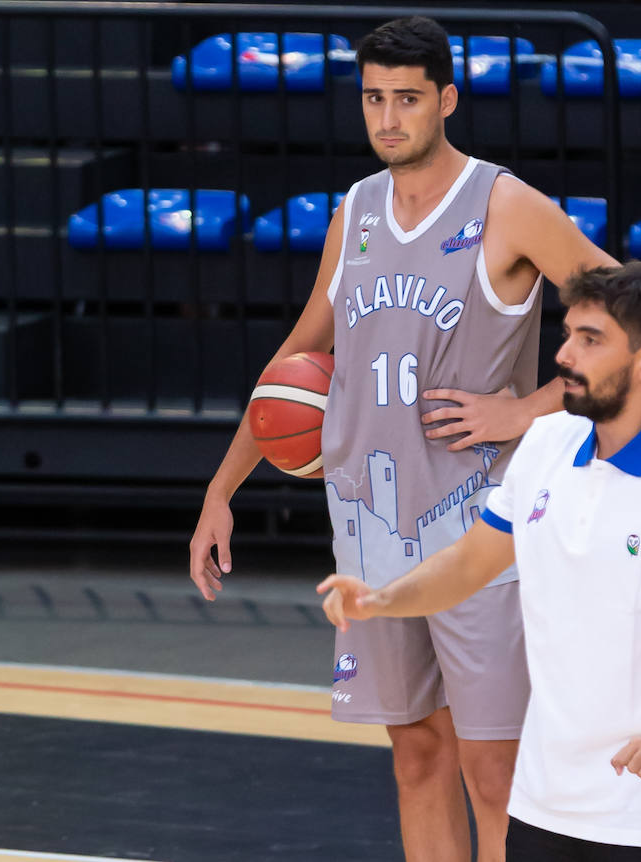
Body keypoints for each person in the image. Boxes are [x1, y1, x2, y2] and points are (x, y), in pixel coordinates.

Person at [187, 16, 617, 862]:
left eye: (408, 100)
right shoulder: (356, 213)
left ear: (447, 100)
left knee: (496, 771)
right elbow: (297, 361)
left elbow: (633, 321)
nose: (389, 119)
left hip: (480, 533)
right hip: (370, 534)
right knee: (417, 754)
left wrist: (521, 411)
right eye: (374, 98)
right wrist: (220, 490)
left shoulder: (506, 205)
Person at [318, 261, 641, 861]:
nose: (566, 355)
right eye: (568, 334)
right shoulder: (547, 444)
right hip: (542, 799)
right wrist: (382, 599)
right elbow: (472, 562)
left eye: (591, 339)